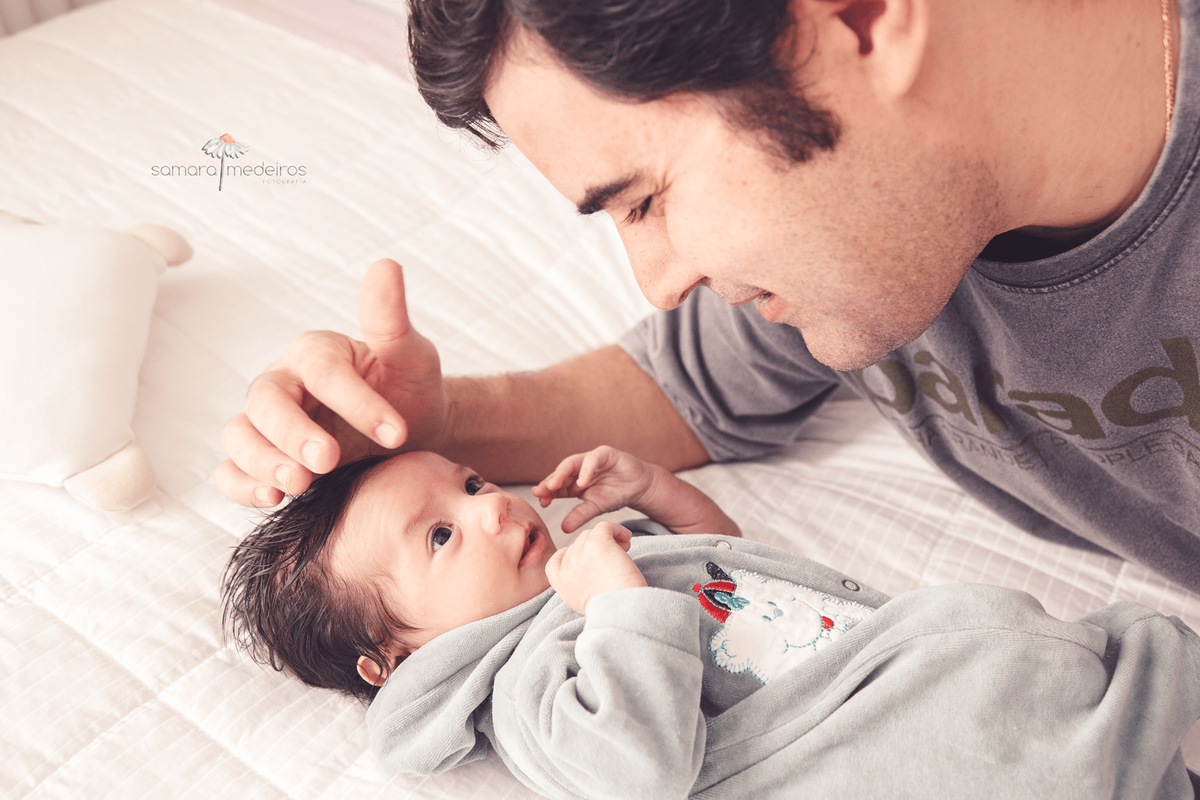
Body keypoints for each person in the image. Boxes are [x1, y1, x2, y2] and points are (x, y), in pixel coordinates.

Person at [216, 0, 1200, 596]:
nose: (658, 281)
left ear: (861, 18)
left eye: (645, 199)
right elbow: (679, 391)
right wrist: (422, 430)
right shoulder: (876, 222)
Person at [222, 444, 1200, 799]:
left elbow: (733, 580)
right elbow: (634, 766)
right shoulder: (524, 685)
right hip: (901, 738)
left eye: (471, 482)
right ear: (390, 655)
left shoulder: (592, 574)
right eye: (440, 535)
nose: (489, 508)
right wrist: (615, 604)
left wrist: (663, 498)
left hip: (912, 664)